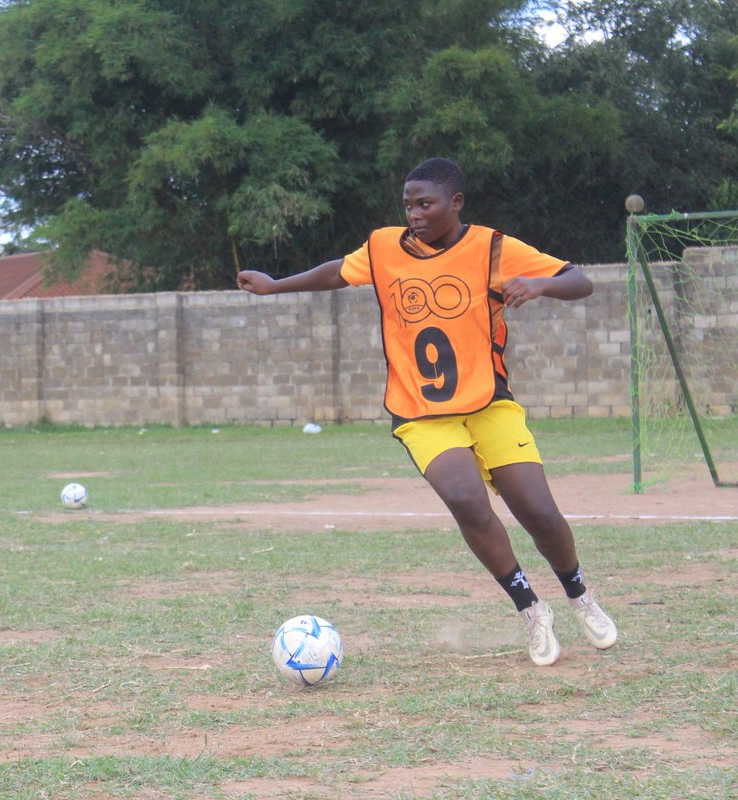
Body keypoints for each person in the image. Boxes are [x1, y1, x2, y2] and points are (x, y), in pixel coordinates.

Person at [236, 157, 617, 667]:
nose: (414, 213)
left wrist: (542, 284)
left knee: (538, 512)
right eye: (408, 204)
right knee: (467, 501)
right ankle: (530, 608)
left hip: (488, 402)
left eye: (425, 203)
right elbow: (337, 273)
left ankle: (579, 595)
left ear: (455, 203)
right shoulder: (383, 247)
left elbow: (579, 280)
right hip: (419, 409)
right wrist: (275, 284)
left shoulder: (492, 247)